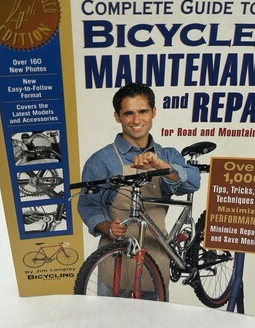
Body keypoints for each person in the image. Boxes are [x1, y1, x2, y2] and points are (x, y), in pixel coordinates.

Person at [77, 83, 201, 296]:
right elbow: (89, 206)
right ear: (117, 117)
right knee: (107, 314)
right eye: (128, 113)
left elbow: (192, 182)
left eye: (143, 111)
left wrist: (159, 165)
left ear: (153, 112)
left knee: (154, 313)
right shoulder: (101, 161)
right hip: (114, 261)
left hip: (156, 259)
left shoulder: (168, 155)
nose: (136, 120)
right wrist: (108, 227)